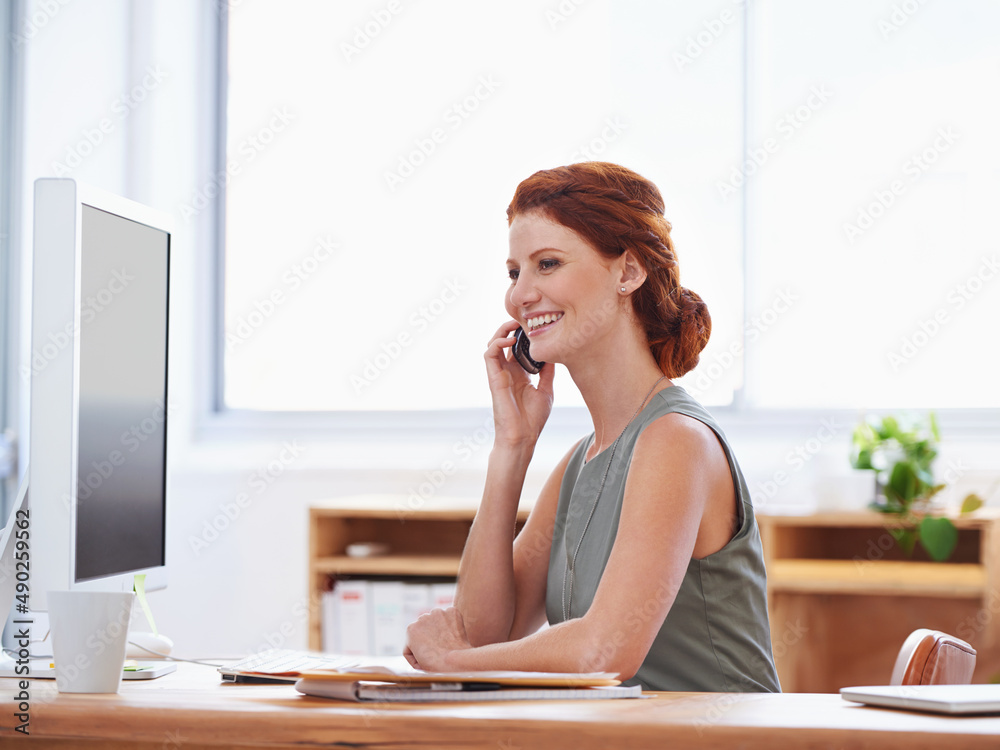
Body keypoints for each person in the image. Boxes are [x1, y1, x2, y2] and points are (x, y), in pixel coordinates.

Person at [404, 161, 780, 692]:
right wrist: (512, 448)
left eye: (548, 263)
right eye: (515, 273)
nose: (519, 295)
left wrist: (448, 663)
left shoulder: (676, 440)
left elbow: (604, 651)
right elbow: (484, 637)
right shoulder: (582, 464)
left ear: (628, 273)